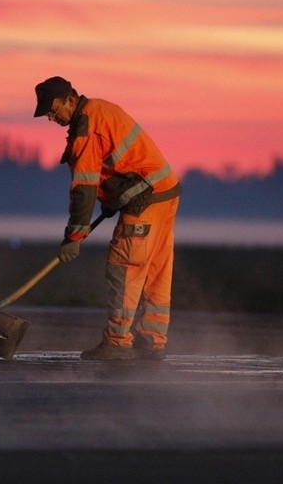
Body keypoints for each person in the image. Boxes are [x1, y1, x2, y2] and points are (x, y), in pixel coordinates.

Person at [34, 76, 181, 360]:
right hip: (164, 192)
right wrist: (115, 198)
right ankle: (152, 340)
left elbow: (84, 187)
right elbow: (118, 164)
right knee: (154, 270)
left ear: (69, 99)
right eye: (48, 115)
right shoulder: (99, 109)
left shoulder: (86, 127)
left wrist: (73, 237)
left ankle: (117, 342)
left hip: (145, 199)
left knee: (124, 266)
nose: (52, 118)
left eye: (53, 111)